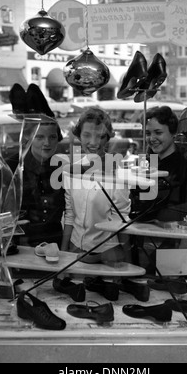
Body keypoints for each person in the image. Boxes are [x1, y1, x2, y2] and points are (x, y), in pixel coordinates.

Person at [130, 106, 187, 256]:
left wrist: (177, 264)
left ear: (173, 133)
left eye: (158, 132)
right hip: (141, 247)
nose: (152, 138)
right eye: (148, 133)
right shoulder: (144, 166)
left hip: (173, 248)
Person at [61, 108, 132, 264]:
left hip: (106, 253)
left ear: (107, 139)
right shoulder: (72, 172)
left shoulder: (117, 175)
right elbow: (70, 214)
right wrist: (64, 254)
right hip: (75, 247)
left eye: (99, 136)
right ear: (79, 135)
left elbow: (121, 220)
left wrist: (127, 264)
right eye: (87, 135)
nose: (93, 142)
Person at [0, 116, 66, 248]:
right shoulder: (9, 168)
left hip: (54, 247)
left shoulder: (61, 168)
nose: (47, 143)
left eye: (52, 137)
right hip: (17, 247)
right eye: (39, 137)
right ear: (29, 138)